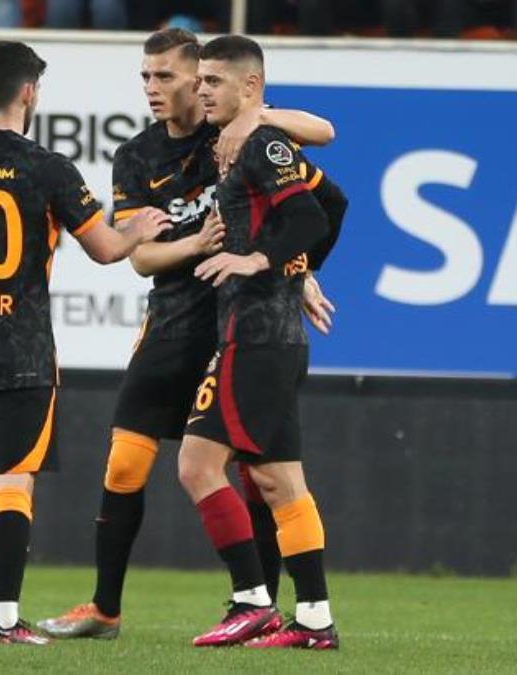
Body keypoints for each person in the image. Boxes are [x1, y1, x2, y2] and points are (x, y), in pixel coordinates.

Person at [34, 27, 338, 640]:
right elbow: (142, 259)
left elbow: (322, 151)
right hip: (175, 320)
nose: (153, 87)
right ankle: (106, 607)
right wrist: (198, 243)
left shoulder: (235, 130)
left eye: (166, 76)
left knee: (255, 470)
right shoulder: (137, 156)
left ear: (199, 80)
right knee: (127, 461)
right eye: (145, 76)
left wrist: (295, 269)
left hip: (237, 320)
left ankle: (257, 602)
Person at [0, 40, 171, 644]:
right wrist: (139, 228)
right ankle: (4, 617)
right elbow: (106, 249)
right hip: (20, 352)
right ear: (28, 92)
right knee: (13, 480)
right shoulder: (45, 166)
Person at [177, 34, 348, 650]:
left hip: (256, 336)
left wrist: (262, 261)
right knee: (279, 482)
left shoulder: (261, 142)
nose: (201, 90)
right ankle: (315, 621)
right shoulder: (246, 141)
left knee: (197, 465)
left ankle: (252, 601)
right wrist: (299, 271)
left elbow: (311, 216)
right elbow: (333, 199)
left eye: (213, 81)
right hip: (270, 334)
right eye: (200, 81)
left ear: (250, 86)